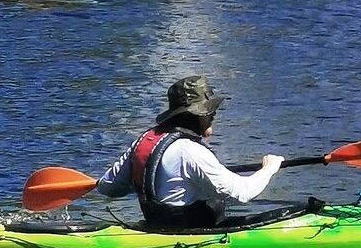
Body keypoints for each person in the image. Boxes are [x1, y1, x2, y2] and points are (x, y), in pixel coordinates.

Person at [96, 75, 285, 231]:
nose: (213, 114)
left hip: (156, 229)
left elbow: (107, 187)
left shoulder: (143, 141)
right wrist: (269, 169)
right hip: (192, 236)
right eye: (208, 110)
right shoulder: (191, 152)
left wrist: (144, 180)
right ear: (193, 114)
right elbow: (242, 193)